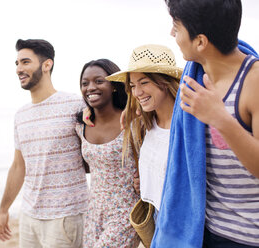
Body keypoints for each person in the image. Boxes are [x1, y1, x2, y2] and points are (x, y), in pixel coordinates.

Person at [152, 1, 259, 247]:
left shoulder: (253, 81)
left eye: (176, 28)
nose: (172, 34)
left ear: (200, 42)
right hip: (204, 232)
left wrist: (220, 118)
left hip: (247, 238)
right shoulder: (195, 77)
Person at [0, 39, 89, 248]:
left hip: (66, 216)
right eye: (17, 63)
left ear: (47, 64)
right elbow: (19, 166)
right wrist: (4, 209)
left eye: (26, 62)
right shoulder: (21, 115)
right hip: (29, 216)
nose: (19, 69)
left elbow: (97, 149)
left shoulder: (75, 105)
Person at [105, 44, 182, 220]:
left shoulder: (187, 125)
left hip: (179, 222)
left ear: (165, 81)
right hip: (156, 217)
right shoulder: (146, 124)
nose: (137, 92)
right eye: (132, 85)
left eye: (144, 82)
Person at [76, 59, 140, 247]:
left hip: (125, 212)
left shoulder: (134, 122)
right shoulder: (81, 127)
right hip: (94, 211)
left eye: (99, 81)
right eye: (85, 83)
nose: (90, 87)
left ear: (113, 85)